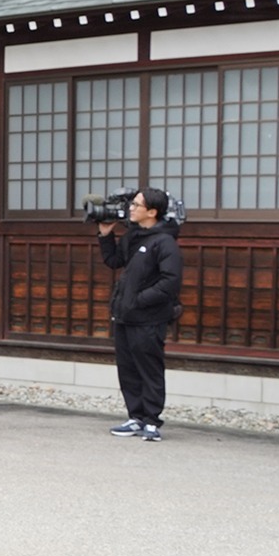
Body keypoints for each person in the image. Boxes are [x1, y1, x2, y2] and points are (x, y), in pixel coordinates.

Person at [98, 189, 182, 442]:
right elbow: (114, 261)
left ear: (152, 212)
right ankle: (135, 417)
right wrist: (105, 234)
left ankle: (152, 422)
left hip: (149, 318)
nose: (130, 208)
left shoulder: (164, 242)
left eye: (136, 205)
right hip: (125, 315)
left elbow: (171, 281)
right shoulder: (134, 236)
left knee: (149, 369)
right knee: (128, 369)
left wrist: (138, 300)